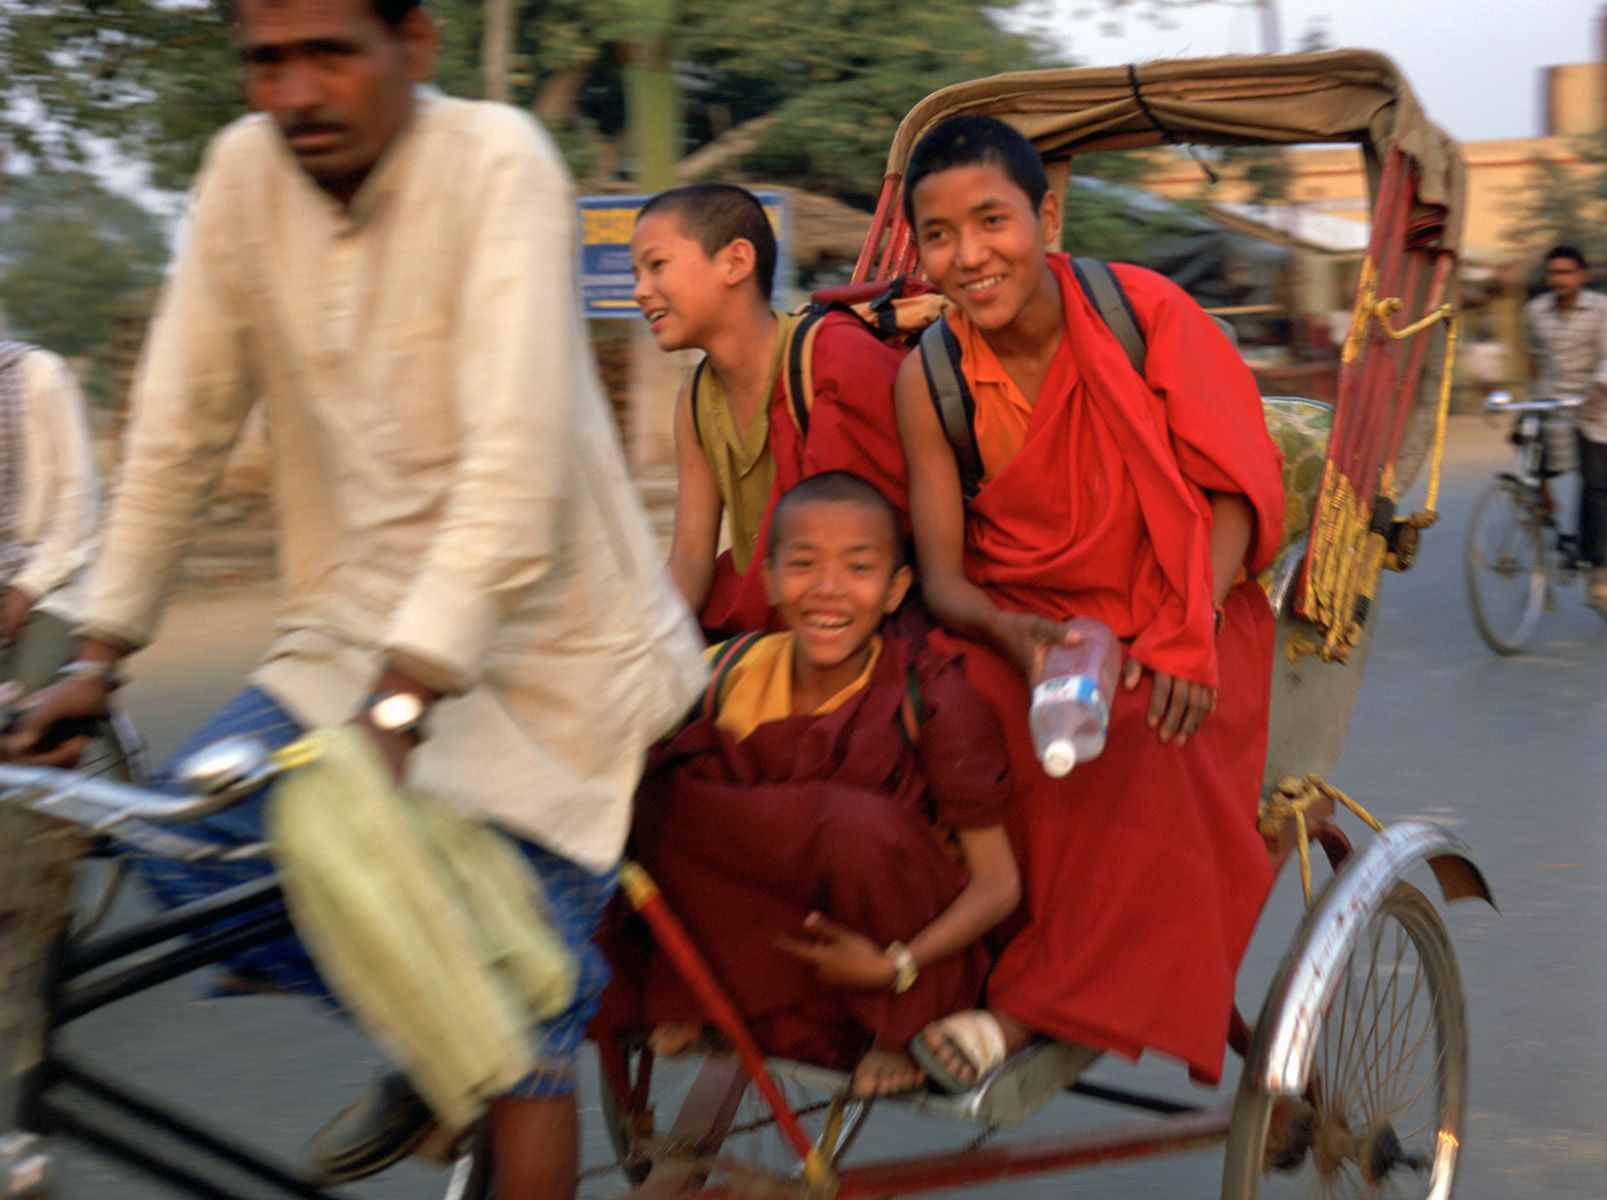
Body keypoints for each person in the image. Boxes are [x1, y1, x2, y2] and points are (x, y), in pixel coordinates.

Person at [1, 1, 704, 1196]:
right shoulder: (239, 177)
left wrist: (399, 706)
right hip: (347, 646)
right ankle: (447, 1049)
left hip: (551, 662)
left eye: (332, 52)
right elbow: (179, 425)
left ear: (414, 48)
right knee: (184, 844)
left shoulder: (496, 163)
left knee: (525, 1045)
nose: (296, 93)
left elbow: (515, 472)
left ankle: (486, 1058)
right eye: (267, 61)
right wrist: (99, 656)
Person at [890, 116, 1285, 1091]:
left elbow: (1232, 490)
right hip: (1023, 617)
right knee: (928, 716)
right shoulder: (928, 378)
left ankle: (1026, 1013)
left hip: (1182, 598)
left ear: (1046, 216)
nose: (968, 257)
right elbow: (942, 578)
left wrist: (1186, 626)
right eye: (938, 236)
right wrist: (1003, 632)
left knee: (1142, 728)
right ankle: (935, 970)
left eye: (991, 221)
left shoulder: (1139, 312)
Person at [608, 472, 1017, 1096]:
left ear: (894, 589)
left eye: (858, 568)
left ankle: (894, 1031)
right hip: (779, 937)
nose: (828, 590)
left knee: (855, 828)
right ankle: (704, 986)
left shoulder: (932, 700)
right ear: (769, 580)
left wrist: (895, 966)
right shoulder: (731, 673)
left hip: (894, 956)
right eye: (803, 564)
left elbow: (998, 885)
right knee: (656, 797)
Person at [631, 183, 910, 636]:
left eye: (657, 266)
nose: (641, 291)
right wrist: (643, 648)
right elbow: (689, 561)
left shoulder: (833, 360)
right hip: (769, 625)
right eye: (636, 275)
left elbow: (879, 552)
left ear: (736, 262)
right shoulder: (695, 401)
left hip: (854, 628)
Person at [0, 341, 99, 692]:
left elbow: (80, 500)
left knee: (24, 700)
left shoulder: (40, 375)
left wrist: (28, 588)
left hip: (51, 580)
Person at [1523, 244, 1607, 607]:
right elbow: (1534, 356)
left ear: (1581, 276)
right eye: (1553, 273)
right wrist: (1530, 396)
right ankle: (1549, 520)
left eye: (1566, 272)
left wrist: (1597, 389)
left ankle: (1599, 567)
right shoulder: (1535, 312)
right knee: (1525, 449)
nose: (1559, 279)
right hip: (1551, 401)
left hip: (1594, 405)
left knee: (1596, 486)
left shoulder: (1600, 310)